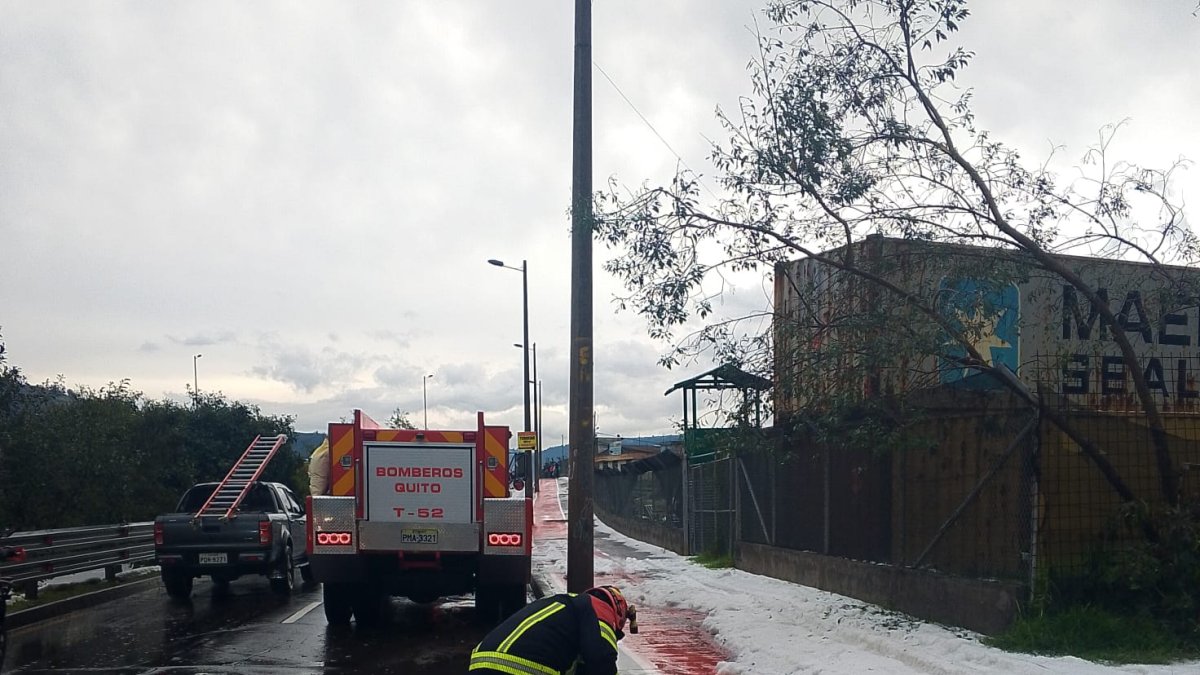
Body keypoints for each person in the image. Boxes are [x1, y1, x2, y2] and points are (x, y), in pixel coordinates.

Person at [469, 585, 638, 675]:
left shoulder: (564, 607)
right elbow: (601, 663)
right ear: (618, 613)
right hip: (518, 668)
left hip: (480, 662)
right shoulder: (600, 612)